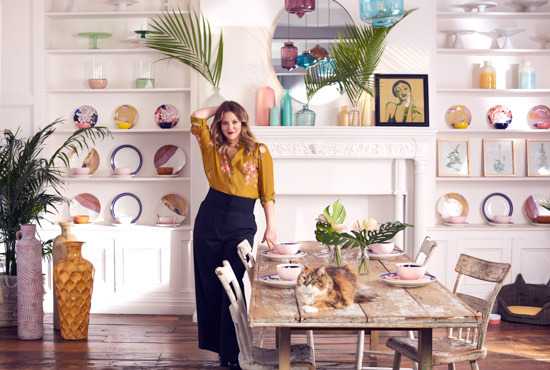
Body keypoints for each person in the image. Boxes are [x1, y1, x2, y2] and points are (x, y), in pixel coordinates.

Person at [190, 101, 277, 369]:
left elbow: (267, 194)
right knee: (212, 284)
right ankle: (223, 351)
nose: (229, 127)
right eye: (225, 122)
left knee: (234, 284)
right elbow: (196, 117)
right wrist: (221, 105)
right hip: (210, 219)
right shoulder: (210, 146)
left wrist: (270, 226)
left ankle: (234, 351)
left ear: (243, 123)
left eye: (235, 122)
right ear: (219, 123)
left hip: (241, 221)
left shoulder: (259, 151)